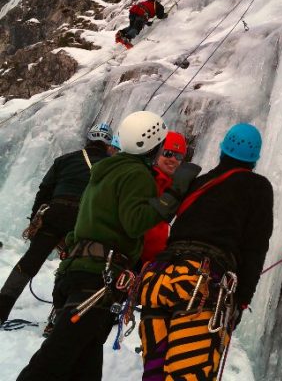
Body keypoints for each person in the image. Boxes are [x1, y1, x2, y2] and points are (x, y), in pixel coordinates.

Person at [16, 111, 199, 381]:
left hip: (79, 271)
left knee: (85, 361)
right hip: (98, 278)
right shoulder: (137, 175)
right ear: (154, 146)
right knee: (54, 359)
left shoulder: (105, 171)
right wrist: (173, 194)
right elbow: (135, 223)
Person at [138, 123, 274, 381]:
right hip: (198, 287)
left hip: (159, 281)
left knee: (155, 374)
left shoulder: (199, 183)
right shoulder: (258, 188)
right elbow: (256, 247)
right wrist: (241, 300)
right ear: (255, 159)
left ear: (222, 151)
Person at [0, 122, 113, 325]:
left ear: (88, 140)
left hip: (55, 212)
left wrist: (37, 219)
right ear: (108, 145)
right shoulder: (110, 166)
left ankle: (1, 309)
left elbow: (44, 191)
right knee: (71, 267)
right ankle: (58, 320)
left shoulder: (65, 160)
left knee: (28, 263)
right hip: (83, 219)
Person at [140, 131, 188, 264]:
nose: (173, 159)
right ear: (157, 152)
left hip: (155, 261)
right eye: (168, 153)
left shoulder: (176, 187)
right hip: (136, 257)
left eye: (178, 156)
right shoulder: (145, 178)